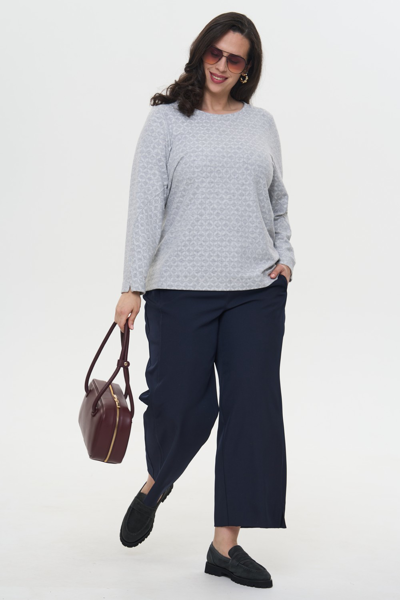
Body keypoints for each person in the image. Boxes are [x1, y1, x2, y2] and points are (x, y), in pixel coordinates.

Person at [114, 11, 295, 590]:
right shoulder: (166, 122)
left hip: (255, 294)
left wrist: (286, 257)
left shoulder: (261, 124)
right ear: (200, 55)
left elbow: (278, 201)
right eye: (214, 53)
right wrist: (132, 285)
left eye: (233, 58)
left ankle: (225, 546)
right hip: (180, 289)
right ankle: (157, 482)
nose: (220, 65)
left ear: (247, 69)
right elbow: (145, 206)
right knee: (178, 403)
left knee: (252, 412)